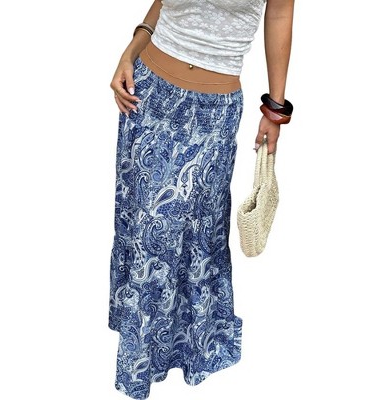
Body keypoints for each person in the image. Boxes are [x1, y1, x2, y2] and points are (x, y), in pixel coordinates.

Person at [108, 1, 295, 398]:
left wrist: (276, 110)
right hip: (148, 92)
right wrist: (129, 51)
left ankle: (191, 345)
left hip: (213, 112)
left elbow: (279, 13)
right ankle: (142, 357)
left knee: (197, 234)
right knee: (146, 235)